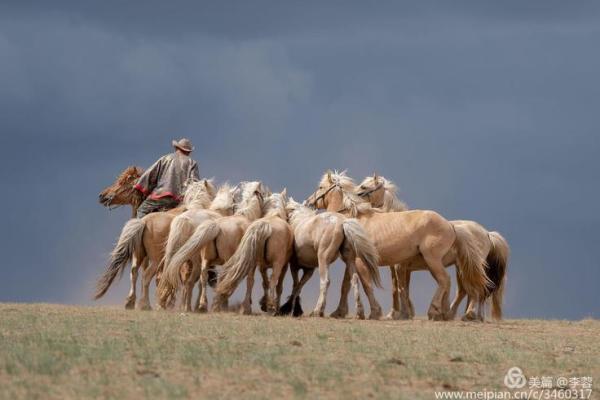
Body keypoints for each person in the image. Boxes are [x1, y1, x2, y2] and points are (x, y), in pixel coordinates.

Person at [134, 138, 199, 218]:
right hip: (179, 200)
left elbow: (151, 173)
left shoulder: (165, 158)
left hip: (161, 196)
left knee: (141, 210)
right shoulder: (192, 163)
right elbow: (194, 182)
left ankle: (140, 228)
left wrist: (140, 186)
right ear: (188, 152)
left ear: (176, 148)